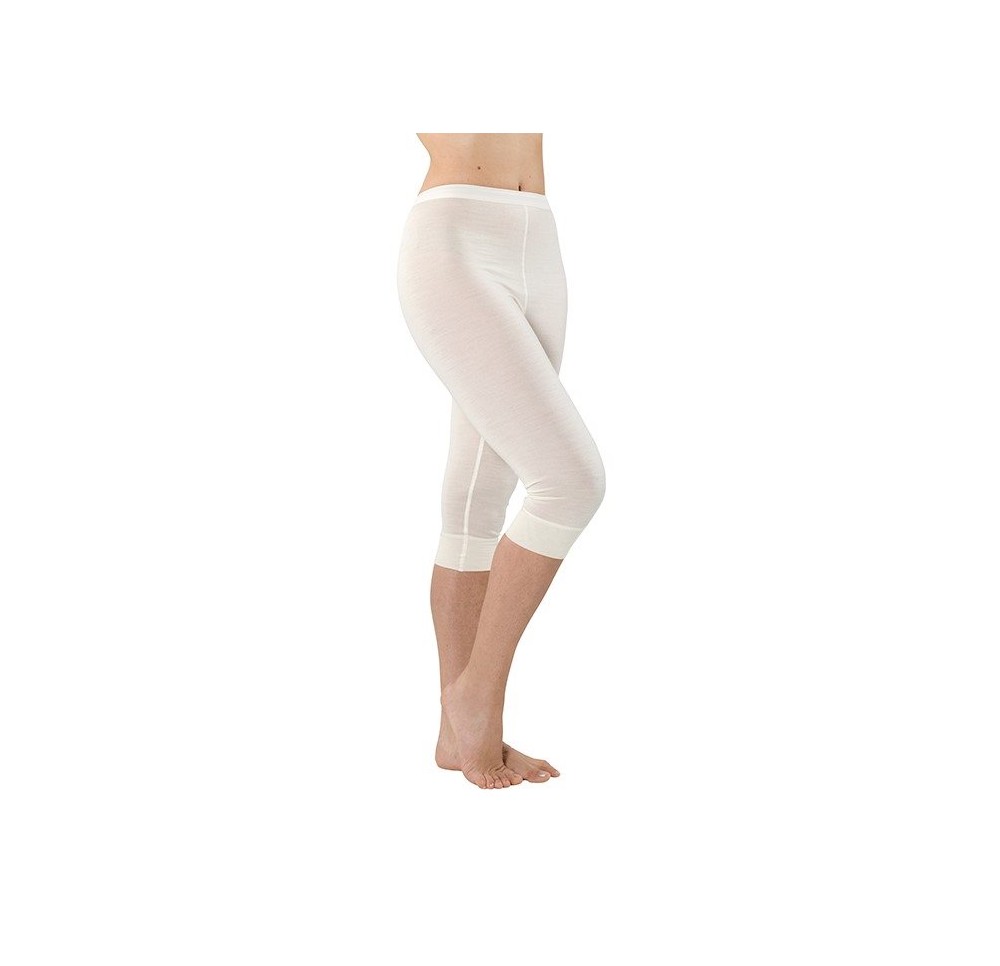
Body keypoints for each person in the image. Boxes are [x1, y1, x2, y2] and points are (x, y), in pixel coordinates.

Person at [396, 133, 606, 789]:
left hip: (538, 235)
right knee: (569, 484)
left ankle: (455, 735)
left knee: (478, 499)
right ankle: (477, 693)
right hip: (454, 239)